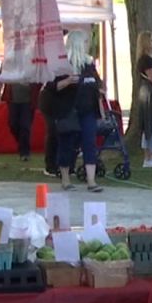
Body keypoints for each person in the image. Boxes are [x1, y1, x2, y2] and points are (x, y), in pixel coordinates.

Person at [49, 30, 107, 192]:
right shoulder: (62, 65)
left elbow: (98, 85)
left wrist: (100, 95)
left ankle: (91, 181)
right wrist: (68, 81)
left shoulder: (89, 65)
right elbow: (53, 87)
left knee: (89, 143)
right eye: (85, 42)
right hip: (69, 111)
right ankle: (66, 179)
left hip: (88, 110)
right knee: (67, 144)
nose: (88, 45)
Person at [133, 30, 152, 169]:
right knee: (149, 122)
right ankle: (148, 156)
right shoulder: (145, 60)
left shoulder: (151, 58)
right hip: (149, 92)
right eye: (151, 41)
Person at [0, 70, 35, 162]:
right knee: (13, 125)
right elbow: (1, 77)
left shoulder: (31, 62)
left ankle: (25, 152)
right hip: (13, 99)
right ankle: (21, 145)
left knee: (25, 126)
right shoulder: (9, 62)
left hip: (28, 100)